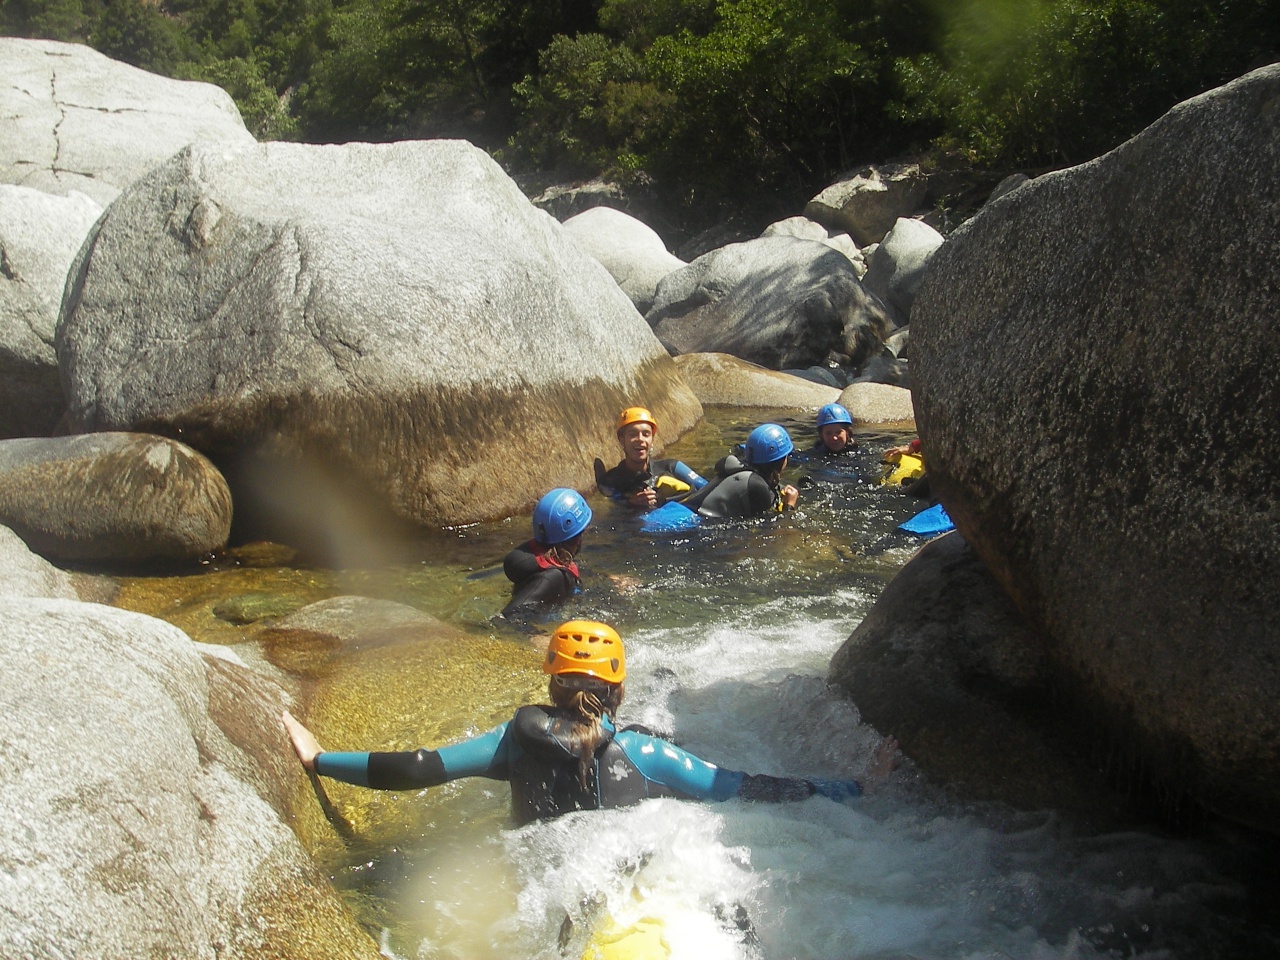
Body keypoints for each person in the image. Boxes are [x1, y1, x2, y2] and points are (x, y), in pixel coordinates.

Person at [282, 620, 898, 826]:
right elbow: (748, 789)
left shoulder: (509, 742)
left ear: (551, 682)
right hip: (611, 865)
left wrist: (319, 759)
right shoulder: (645, 755)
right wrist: (857, 786)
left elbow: (417, 768)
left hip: (538, 880)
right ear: (618, 690)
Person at [501, 488, 591, 619]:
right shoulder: (555, 577)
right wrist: (539, 637)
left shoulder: (545, 556)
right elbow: (507, 617)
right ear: (579, 536)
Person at [596, 407, 707, 510]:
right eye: (632, 434)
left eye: (646, 434)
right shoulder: (610, 481)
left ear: (652, 440)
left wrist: (661, 499)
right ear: (621, 439)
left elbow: (707, 488)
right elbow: (613, 511)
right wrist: (633, 504)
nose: (640, 439)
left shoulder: (672, 467)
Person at [682, 423, 801, 519]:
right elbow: (777, 531)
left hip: (676, 511)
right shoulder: (757, 485)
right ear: (781, 460)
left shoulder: (740, 468)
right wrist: (789, 505)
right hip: (686, 524)